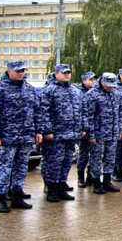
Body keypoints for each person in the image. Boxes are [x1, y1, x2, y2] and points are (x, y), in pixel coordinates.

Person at [0, 60, 40, 212]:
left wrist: (38, 131)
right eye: (17, 71)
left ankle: (17, 196)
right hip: (7, 137)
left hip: (26, 136)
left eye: (22, 70)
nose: (21, 73)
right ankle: (1, 199)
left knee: (21, 167)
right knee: (5, 168)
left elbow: (37, 111)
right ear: (9, 71)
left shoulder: (29, 89)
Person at [37, 64, 81, 202]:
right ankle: (51, 189)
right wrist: (47, 130)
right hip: (56, 135)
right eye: (64, 73)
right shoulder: (49, 91)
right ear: (56, 74)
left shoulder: (75, 91)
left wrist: (81, 129)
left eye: (69, 73)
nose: (67, 75)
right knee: (54, 163)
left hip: (71, 134)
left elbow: (80, 111)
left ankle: (62, 187)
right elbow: (43, 112)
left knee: (67, 162)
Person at [81, 73, 121, 194]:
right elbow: (89, 117)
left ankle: (107, 181)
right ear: (102, 82)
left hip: (112, 132)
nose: (110, 87)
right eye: (108, 85)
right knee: (96, 159)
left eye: (112, 85)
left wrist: (119, 130)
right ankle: (96, 182)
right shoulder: (92, 95)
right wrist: (91, 135)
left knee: (110, 158)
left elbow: (119, 114)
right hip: (98, 134)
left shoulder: (116, 94)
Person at [76, 72, 96, 188]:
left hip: (95, 129)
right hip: (84, 129)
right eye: (90, 79)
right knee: (83, 154)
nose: (93, 81)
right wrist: (83, 129)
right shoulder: (79, 93)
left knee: (94, 154)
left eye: (94, 79)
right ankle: (80, 177)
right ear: (84, 80)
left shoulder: (95, 93)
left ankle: (91, 177)